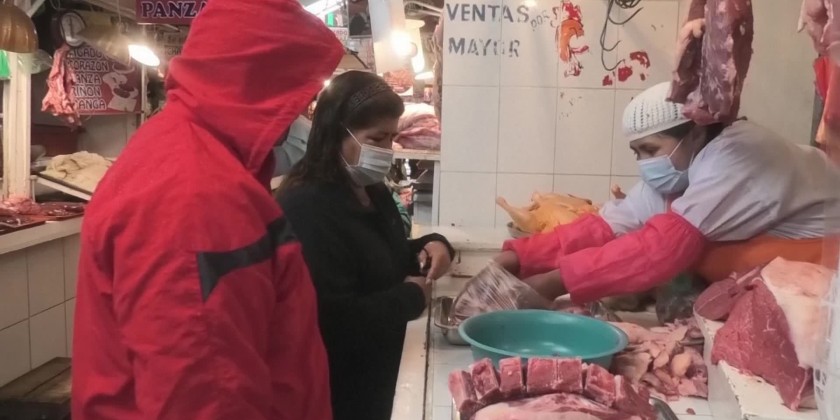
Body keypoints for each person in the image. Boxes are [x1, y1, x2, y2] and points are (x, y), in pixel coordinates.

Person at [71, 1, 343, 419]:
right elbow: (206, 397)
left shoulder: (193, 155)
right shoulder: (195, 194)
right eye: (296, 93)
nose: (301, 111)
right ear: (258, 80)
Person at [496, 81, 840, 304]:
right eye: (637, 153)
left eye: (650, 149)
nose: (645, 163)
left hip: (823, 270)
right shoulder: (683, 168)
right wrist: (515, 259)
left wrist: (555, 282)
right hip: (775, 280)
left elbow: (663, 248)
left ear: (694, 135)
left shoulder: (737, 154)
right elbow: (605, 227)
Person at [276, 70, 455, 420]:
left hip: (384, 366)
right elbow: (332, 319)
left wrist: (434, 244)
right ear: (335, 134)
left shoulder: (368, 188)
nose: (387, 150)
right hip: (343, 390)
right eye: (377, 138)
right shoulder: (306, 207)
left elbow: (384, 254)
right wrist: (411, 296)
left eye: (391, 138)